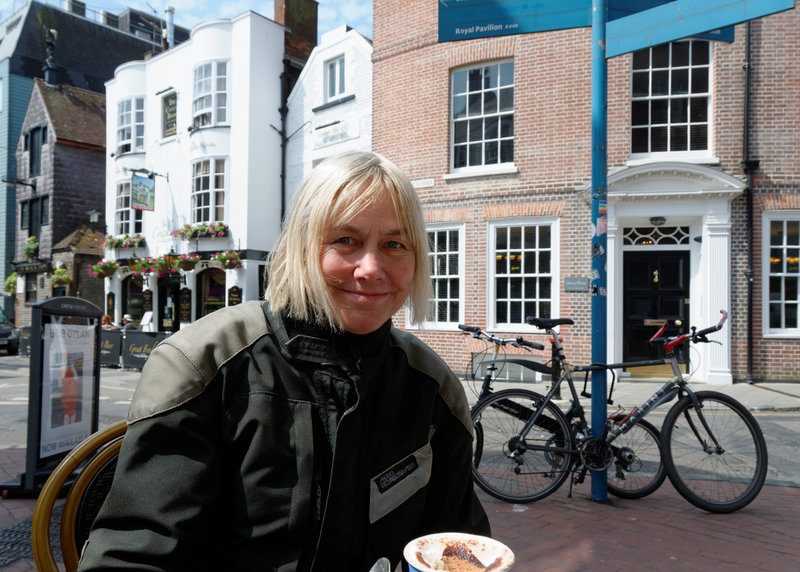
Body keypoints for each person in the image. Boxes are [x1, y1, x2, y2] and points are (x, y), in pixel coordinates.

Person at [77, 152, 490, 571]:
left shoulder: (432, 387)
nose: (370, 268)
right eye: (345, 240)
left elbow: (458, 542)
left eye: (394, 244)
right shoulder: (203, 367)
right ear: (301, 245)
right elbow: (136, 554)